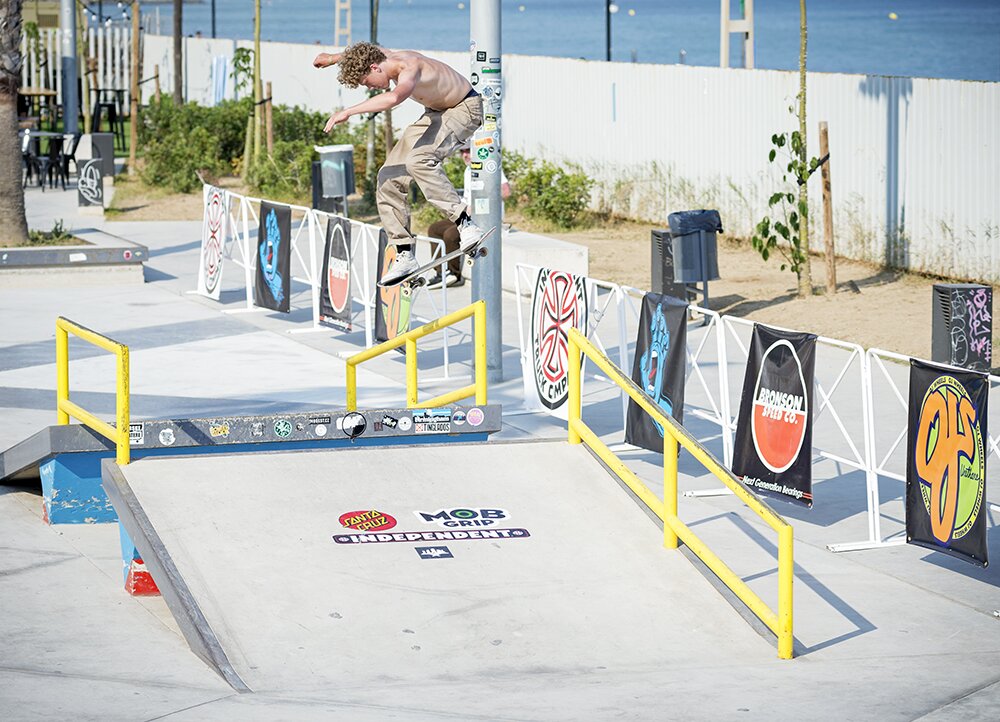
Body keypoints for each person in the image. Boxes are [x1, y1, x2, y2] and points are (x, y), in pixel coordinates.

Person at [314, 42, 485, 285]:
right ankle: (404, 253)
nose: (369, 87)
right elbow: (360, 52)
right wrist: (332, 58)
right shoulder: (380, 57)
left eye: (366, 82)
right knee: (388, 176)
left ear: (374, 68)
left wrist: (348, 112)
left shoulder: (409, 67)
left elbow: (394, 97)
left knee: (419, 160)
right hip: (436, 114)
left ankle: (465, 223)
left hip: (464, 109)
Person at [425, 143, 511, 289]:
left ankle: (454, 274)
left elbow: (506, 192)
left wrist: (480, 205)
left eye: (468, 151)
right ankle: (441, 272)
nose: (465, 155)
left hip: (485, 218)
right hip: (468, 215)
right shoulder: (467, 170)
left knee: (451, 234)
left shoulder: (489, 167)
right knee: (434, 228)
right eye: (462, 152)